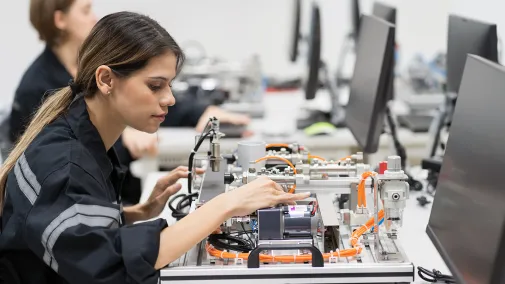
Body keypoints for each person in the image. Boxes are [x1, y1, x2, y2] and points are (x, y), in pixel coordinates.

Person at [0, 11, 309, 284]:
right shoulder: (65, 164)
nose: (170, 99)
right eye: (155, 85)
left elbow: (76, 231)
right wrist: (227, 204)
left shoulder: (81, 133)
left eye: (169, 85)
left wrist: (136, 213)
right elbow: (111, 265)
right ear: (106, 79)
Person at [9, 0, 251, 204]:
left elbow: (144, 91)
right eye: (85, 10)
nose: (93, 17)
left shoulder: (80, 72)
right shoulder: (39, 89)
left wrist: (200, 111)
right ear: (60, 19)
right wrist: (223, 207)